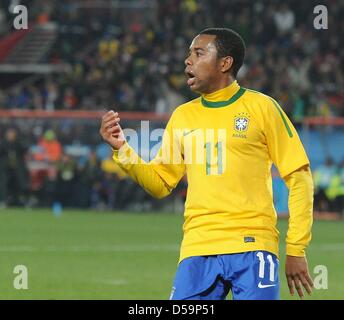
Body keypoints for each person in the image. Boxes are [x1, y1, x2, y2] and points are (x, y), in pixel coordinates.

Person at [99, 28, 314, 300]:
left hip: (252, 244)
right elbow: (161, 183)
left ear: (225, 63)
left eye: (198, 53)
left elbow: (300, 178)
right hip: (197, 247)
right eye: (189, 53)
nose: (187, 61)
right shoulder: (183, 116)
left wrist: (296, 247)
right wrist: (123, 150)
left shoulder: (263, 108)